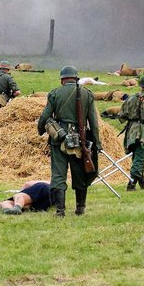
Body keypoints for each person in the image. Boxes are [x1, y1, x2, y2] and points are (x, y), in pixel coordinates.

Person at [37, 65, 103, 217]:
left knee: (58, 174)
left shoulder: (55, 93)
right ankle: (80, 208)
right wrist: (97, 143)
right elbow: (93, 121)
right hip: (80, 140)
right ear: (76, 78)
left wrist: (41, 129)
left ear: (62, 80)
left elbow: (45, 116)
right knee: (80, 174)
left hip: (58, 140)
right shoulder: (87, 94)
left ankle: (60, 210)